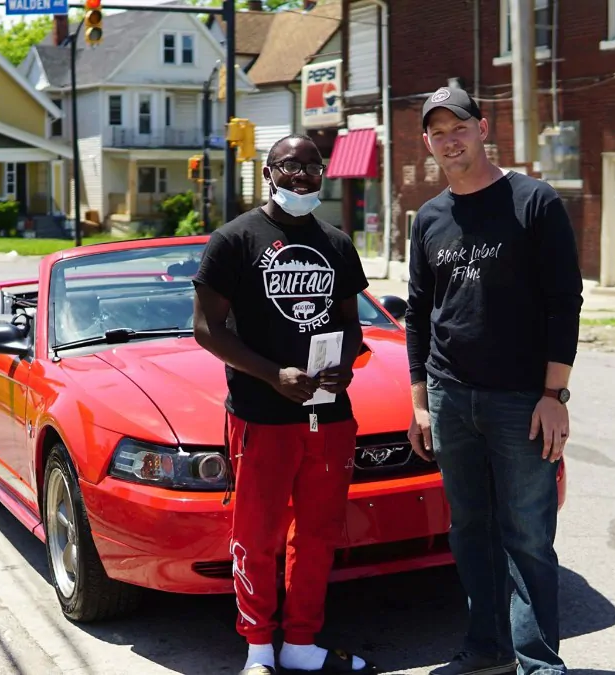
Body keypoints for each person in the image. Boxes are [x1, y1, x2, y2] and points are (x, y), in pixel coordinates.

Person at [405, 87, 584, 675]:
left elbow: (565, 303)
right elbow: (417, 312)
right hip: (450, 397)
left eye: (458, 126)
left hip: (519, 400)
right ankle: (487, 653)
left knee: (527, 535)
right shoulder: (429, 218)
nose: (449, 140)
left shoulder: (534, 202)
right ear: (427, 142)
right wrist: (421, 402)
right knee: (470, 532)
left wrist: (554, 395)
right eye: (437, 132)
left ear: (482, 127)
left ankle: (538, 665)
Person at [192, 134, 377, 675]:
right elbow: (207, 328)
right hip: (261, 414)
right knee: (257, 533)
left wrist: (346, 359)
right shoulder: (234, 239)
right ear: (268, 172)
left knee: (318, 533)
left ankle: (300, 644)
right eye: (290, 167)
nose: (302, 177)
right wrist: (273, 375)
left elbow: (349, 322)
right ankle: (257, 648)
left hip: (330, 414)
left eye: (313, 169)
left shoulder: (337, 242)